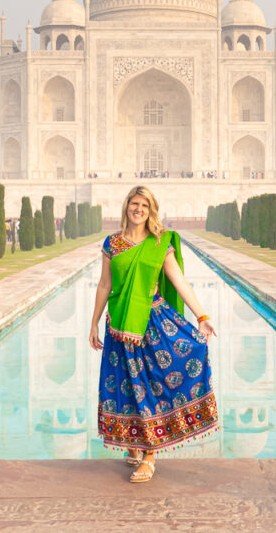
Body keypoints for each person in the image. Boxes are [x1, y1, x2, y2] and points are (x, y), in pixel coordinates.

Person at [89, 185, 218, 483]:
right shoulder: (113, 243)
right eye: (135, 204)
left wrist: (202, 316)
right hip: (120, 326)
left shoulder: (159, 242)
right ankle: (134, 443)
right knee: (126, 386)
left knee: (151, 387)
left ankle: (150, 455)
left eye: (144, 206)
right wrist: (93, 323)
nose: (139, 210)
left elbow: (179, 281)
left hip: (153, 324)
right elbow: (104, 285)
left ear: (151, 211)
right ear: (127, 207)